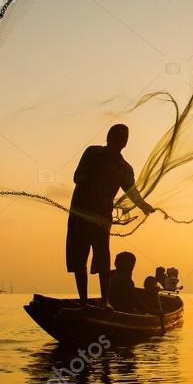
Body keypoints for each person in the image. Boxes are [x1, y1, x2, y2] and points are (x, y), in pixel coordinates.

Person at [66, 124, 155, 306]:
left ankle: (105, 301)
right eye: (117, 135)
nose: (121, 139)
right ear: (108, 137)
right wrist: (94, 184)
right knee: (79, 258)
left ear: (125, 143)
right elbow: (77, 177)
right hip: (80, 214)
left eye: (124, 137)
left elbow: (132, 192)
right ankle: (84, 302)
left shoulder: (124, 168)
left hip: (101, 219)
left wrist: (144, 205)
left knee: (102, 259)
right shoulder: (92, 153)